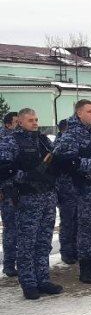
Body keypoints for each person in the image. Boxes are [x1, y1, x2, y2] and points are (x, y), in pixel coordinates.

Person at [0, 108, 62, 299]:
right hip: (27, 199)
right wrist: (26, 176)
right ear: (19, 121)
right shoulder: (11, 141)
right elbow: (4, 170)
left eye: (36, 119)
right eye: (30, 120)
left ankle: (43, 279)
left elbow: (53, 160)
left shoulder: (43, 139)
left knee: (44, 242)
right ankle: (28, 283)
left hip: (47, 197)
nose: (35, 123)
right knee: (27, 243)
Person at [53, 99, 91, 284]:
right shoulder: (70, 135)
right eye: (89, 111)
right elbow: (69, 162)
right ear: (79, 113)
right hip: (83, 189)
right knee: (86, 229)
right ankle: (85, 267)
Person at [53, 118, 78, 264]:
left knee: (77, 221)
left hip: (76, 188)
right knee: (68, 221)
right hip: (64, 189)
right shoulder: (59, 144)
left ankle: (75, 249)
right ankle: (66, 252)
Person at [1, 111, 19, 277]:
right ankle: (8, 264)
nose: (18, 125)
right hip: (6, 191)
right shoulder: (3, 141)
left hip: (20, 190)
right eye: (16, 122)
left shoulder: (19, 139)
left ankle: (19, 261)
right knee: (11, 228)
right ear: (8, 124)